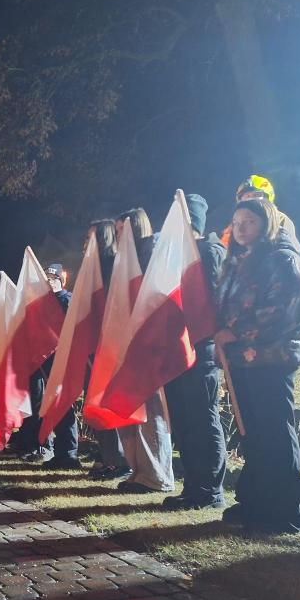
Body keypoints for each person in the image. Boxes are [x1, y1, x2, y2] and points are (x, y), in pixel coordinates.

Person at [215, 197, 300, 534]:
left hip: (272, 358)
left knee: (274, 433)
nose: (241, 229)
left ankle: (284, 511)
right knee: (252, 433)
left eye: (250, 222)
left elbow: (283, 310)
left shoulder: (283, 260)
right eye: (236, 223)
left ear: (266, 223)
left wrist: (235, 332)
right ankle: (255, 502)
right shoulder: (240, 261)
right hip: (243, 359)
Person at [162, 194, 229, 510]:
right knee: (184, 421)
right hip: (177, 350)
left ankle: (210, 489)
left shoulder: (211, 251)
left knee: (203, 418)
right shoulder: (171, 257)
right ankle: (192, 484)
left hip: (202, 349)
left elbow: (218, 300)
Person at [110, 207, 174, 495]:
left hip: (148, 343)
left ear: (135, 228)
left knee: (150, 410)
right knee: (130, 407)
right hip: (126, 343)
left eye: (122, 229)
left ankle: (155, 475)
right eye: (116, 231)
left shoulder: (152, 252)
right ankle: (138, 471)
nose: (118, 235)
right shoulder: (123, 260)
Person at [14, 263, 81, 468]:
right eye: (47, 280)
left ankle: (69, 454)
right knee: (50, 407)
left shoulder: (67, 300)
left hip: (62, 361)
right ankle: (57, 451)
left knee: (63, 406)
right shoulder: (42, 304)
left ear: (62, 280)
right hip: (46, 363)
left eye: (54, 279)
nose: (50, 283)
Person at [86, 220, 132, 481]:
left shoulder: (114, 266)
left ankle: (119, 460)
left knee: (109, 403)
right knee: (97, 404)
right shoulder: (92, 271)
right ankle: (108, 457)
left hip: (111, 347)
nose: (86, 244)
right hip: (95, 346)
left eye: (91, 238)